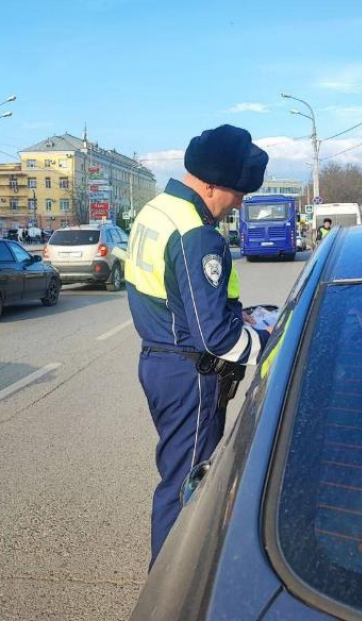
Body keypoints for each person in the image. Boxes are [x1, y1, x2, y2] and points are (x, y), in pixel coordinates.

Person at [125, 124, 271, 566]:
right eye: (237, 192)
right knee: (187, 484)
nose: (240, 202)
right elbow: (217, 338)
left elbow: (176, 299)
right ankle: (171, 589)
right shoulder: (197, 232)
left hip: (161, 361)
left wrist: (235, 313)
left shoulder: (156, 210)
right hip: (191, 374)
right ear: (211, 184)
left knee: (177, 473)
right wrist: (264, 337)